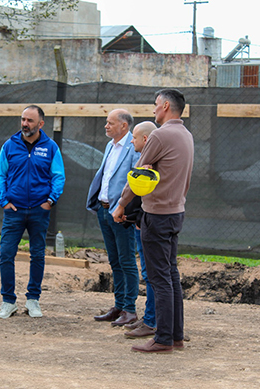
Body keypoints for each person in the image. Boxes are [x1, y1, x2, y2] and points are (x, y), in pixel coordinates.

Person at [113, 89, 194, 353]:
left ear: (167, 106)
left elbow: (138, 176)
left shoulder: (160, 135)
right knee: (170, 275)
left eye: (156, 105)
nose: (153, 109)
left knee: (159, 279)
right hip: (175, 212)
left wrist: (122, 204)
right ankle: (176, 336)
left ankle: (163, 339)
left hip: (157, 215)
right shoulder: (186, 135)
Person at [0, 105, 65, 319]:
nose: (25, 124)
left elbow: (58, 176)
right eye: (23, 119)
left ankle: (33, 300)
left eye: (30, 121)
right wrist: (4, 201)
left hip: (39, 211)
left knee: (37, 255)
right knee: (6, 254)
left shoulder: (50, 147)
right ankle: (8, 302)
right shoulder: (9, 145)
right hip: (13, 211)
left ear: (41, 124)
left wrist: (51, 200)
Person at [86, 109, 140, 327]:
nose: (106, 126)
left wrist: (123, 207)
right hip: (104, 210)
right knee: (115, 260)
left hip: (121, 212)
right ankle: (119, 305)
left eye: (110, 123)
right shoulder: (110, 145)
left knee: (127, 261)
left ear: (124, 126)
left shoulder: (133, 148)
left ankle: (130, 309)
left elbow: (134, 181)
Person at [121, 121, 158, 339]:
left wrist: (124, 209)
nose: (131, 141)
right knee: (150, 274)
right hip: (140, 221)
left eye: (134, 137)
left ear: (145, 139)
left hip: (147, 223)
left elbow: (137, 191)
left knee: (152, 274)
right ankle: (150, 317)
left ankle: (153, 320)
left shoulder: (150, 162)